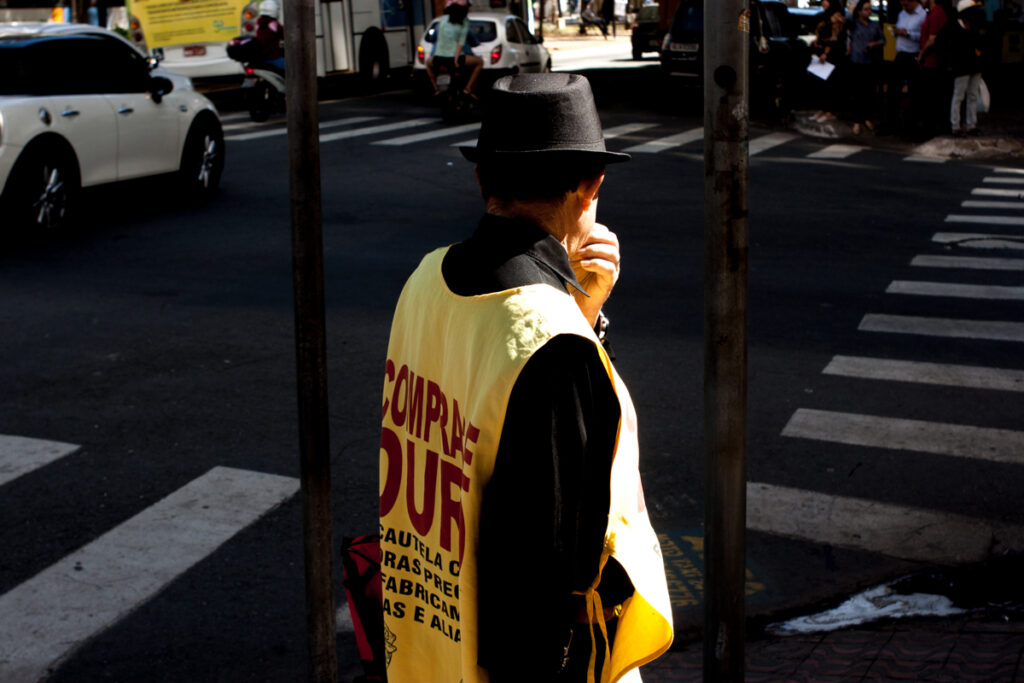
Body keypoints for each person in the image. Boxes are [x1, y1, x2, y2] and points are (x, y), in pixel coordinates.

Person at [377, 73, 673, 683]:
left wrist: (582, 309)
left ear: (481, 179)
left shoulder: (425, 279)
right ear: (592, 187)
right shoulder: (554, 343)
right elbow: (542, 574)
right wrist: (573, 321)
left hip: (426, 644)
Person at [941, 0, 985, 135]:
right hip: (961, 67)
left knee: (972, 96)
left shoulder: (974, 25)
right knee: (959, 96)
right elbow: (944, 44)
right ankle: (955, 126)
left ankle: (971, 125)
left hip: (975, 66)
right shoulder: (953, 27)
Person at [426, 0, 484, 97]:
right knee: (480, 62)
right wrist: (456, 60)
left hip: (438, 58)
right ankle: (467, 88)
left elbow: (434, 38)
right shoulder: (464, 22)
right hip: (456, 59)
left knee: (427, 63)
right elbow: (461, 43)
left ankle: (436, 88)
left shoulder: (442, 20)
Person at [885, 0, 927, 133]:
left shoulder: (923, 15)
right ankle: (891, 123)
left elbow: (923, 37)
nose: (904, 7)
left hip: (913, 55)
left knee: (915, 92)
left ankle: (912, 125)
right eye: (902, 5)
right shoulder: (902, 14)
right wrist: (896, 31)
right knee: (893, 89)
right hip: (900, 54)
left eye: (906, 5)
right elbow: (895, 30)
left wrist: (907, 33)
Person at [847, 0, 886, 133]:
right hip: (856, 62)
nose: (868, 12)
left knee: (869, 92)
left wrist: (873, 44)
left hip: (870, 62)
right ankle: (857, 121)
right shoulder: (854, 24)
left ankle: (868, 117)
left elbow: (883, 40)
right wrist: (852, 7)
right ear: (859, 11)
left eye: (870, 9)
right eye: (865, 9)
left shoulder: (874, 25)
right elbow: (847, 20)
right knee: (857, 92)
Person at [809, 5, 848, 122]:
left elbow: (835, 42)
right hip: (824, 57)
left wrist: (826, 52)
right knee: (822, 85)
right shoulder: (825, 23)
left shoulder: (840, 26)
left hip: (834, 58)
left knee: (831, 86)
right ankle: (822, 109)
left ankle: (830, 111)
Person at [917, 0, 951, 136]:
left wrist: (921, 55)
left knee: (932, 98)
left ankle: (932, 129)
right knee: (929, 98)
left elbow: (932, 39)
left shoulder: (938, 14)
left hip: (933, 62)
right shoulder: (932, 13)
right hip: (929, 61)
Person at [255, 0, 284, 74]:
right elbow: (286, 35)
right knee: (293, 66)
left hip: (261, 58)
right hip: (272, 58)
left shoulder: (258, 23)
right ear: (274, 10)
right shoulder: (273, 24)